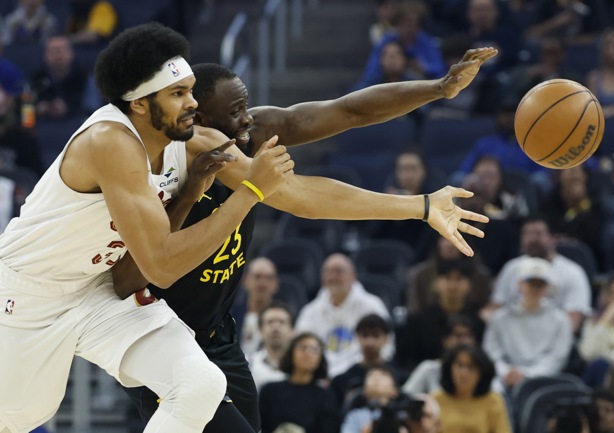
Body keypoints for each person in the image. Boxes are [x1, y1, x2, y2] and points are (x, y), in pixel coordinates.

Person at [117, 45, 498, 432]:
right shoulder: (183, 155)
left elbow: (349, 111)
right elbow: (303, 199)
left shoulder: (249, 133)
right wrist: (421, 206)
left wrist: (439, 87)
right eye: (234, 112)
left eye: (245, 106)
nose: (247, 119)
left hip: (218, 336)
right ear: (198, 118)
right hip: (162, 338)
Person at [0, 21, 295, 433]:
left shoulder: (185, 139)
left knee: (199, 385)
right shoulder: (109, 140)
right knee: (20, 416)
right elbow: (161, 265)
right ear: (139, 103)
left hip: (100, 289)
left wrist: (396, 207)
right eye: (178, 94)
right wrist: (249, 192)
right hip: (32, 291)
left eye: (190, 90)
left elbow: (301, 188)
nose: (193, 103)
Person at [483, 257, 573, 390]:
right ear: (520, 284)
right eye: (531, 283)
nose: (535, 288)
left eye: (540, 284)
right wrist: (505, 372)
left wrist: (527, 374)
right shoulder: (499, 318)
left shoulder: (561, 320)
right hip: (502, 380)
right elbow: (491, 352)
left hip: (543, 381)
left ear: (547, 287)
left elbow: (557, 357)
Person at [258, 333, 340, 433]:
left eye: (315, 349)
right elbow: (258, 425)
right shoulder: (270, 390)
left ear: (321, 358)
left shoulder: (326, 395)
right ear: (291, 352)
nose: (308, 353)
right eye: (303, 347)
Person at [433, 344, 512, 433]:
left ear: (482, 372)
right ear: (449, 368)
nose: (464, 373)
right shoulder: (435, 399)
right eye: (459, 365)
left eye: (471, 367)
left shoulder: (493, 400)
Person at [248, 302, 294, 390]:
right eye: (270, 322)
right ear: (260, 330)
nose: (276, 327)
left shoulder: (301, 365)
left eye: (282, 322)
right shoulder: (248, 364)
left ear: (292, 330)